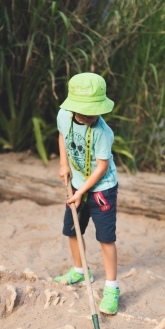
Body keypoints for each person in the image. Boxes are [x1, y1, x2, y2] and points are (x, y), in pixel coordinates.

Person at [53, 72, 120, 315]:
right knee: (72, 229)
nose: (90, 118)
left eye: (94, 113)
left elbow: (102, 167)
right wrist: (64, 164)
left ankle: (112, 288)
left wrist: (80, 192)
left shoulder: (103, 132)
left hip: (102, 189)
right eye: (84, 113)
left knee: (105, 238)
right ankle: (80, 271)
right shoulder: (64, 116)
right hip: (77, 184)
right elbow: (62, 135)